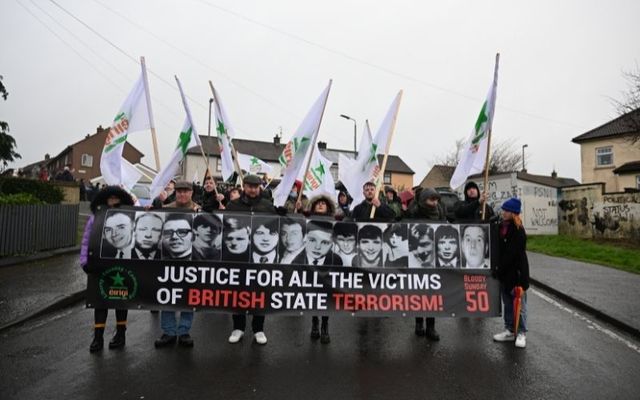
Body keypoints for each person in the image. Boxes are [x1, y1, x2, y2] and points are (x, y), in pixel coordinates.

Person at [80, 186, 134, 352]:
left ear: (121, 200)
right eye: (109, 198)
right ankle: (98, 337)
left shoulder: (129, 216)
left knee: (121, 301)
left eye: (115, 198)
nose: (112, 201)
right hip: (99, 265)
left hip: (122, 264)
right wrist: (84, 261)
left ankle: (121, 335)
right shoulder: (95, 216)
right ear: (103, 200)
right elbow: (86, 239)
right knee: (99, 301)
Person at [226, 174, 275, 345]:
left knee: (260, 292)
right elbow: (225, 225)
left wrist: (284, 214)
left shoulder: (268, 205)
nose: (252, 189)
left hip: (260, 258)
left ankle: (258, 329)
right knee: (238, 292)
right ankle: (238, 327)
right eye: (249, 186)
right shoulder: (233, 205)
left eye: (255, 186)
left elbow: (275, 226)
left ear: (260, 187)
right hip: (238, 257)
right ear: (244, 187)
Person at [154, 180, 200, 349]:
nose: (182, 194)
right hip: (168, 262)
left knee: (189, 297)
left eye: (185, 191)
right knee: (168, 296)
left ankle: (184, 332)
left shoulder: (199, 210)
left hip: (191, 263)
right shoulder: (165, 209)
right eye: (179, 191)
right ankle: (169, 332)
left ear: (191, 192)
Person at [406, 187, 445, 341]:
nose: (435, 203)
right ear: (423, 200)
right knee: (418, 291)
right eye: (431, 199)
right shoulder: (414, 211)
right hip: (416, 259)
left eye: (436, 199)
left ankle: (431, 326)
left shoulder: (440, 212)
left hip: (433, 259)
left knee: (431, 293)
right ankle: (418, 324)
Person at [493, 198, 530, 348]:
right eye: (503, 210)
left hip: (517, 274)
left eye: (507, 210)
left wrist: (499, 268)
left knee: (519, 305)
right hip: (504, 274)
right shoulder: (501, 227)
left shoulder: (518, 230)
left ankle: (521, 332)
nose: (504, 213)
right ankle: (509, 329)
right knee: (508, 303)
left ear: (514, 213)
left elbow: (512, 254)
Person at [305, 195, 337, 344]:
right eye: (318, 203)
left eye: (324, 203)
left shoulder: (334, 221)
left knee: (325, 295)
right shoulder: (307, 219)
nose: (320, 205)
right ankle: (314, 323)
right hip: (310, 264)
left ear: (328, 207)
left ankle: (325, 325)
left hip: (327, 265)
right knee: (313, 294)